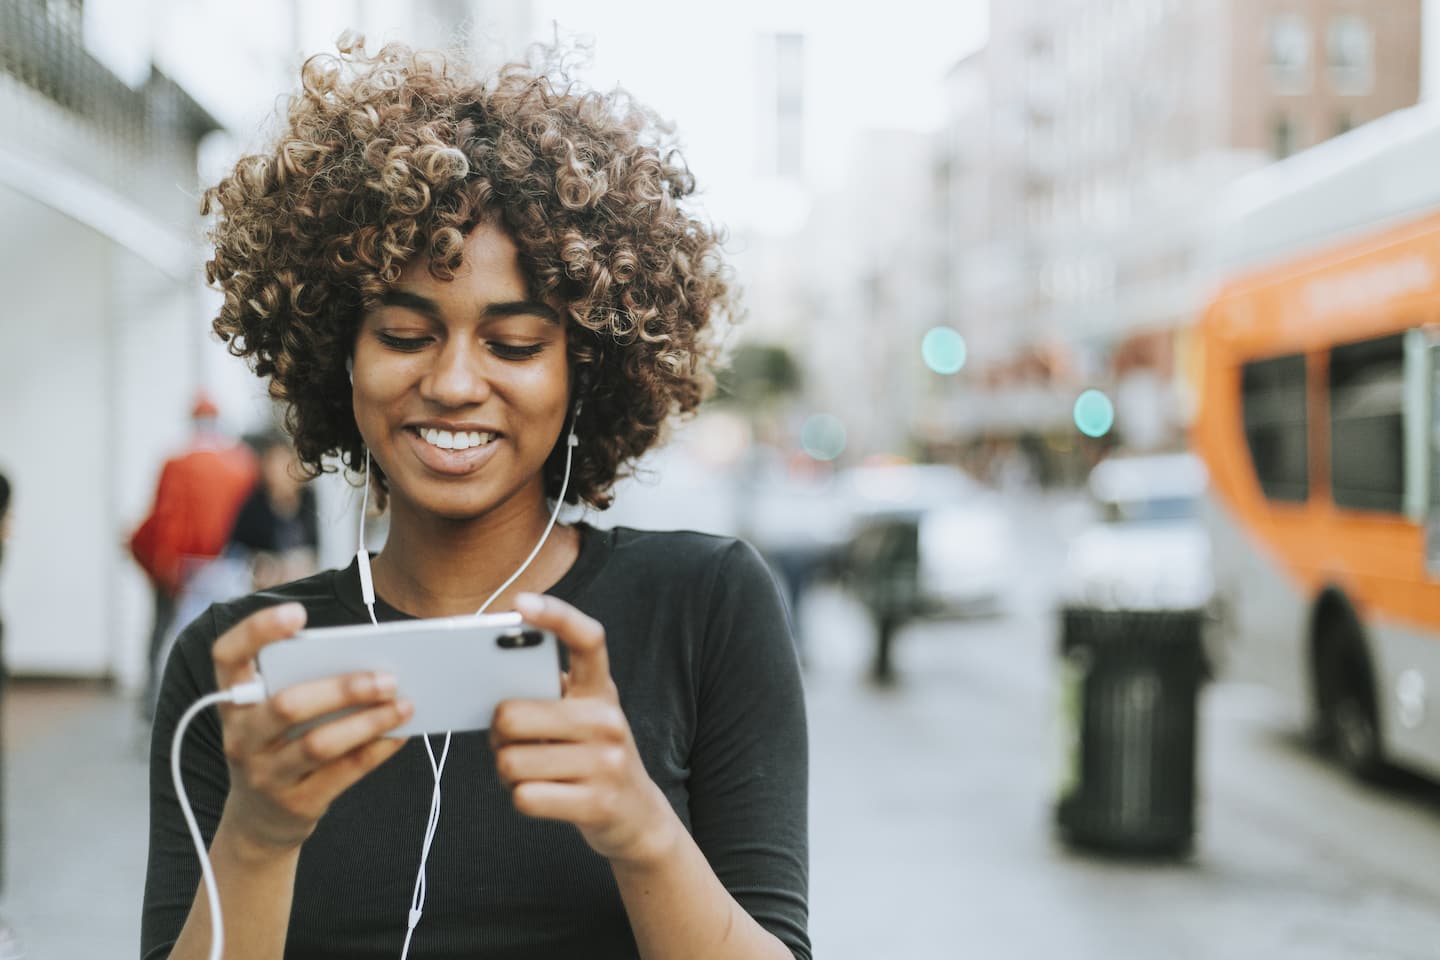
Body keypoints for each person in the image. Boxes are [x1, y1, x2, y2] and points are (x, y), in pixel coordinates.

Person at [142, 34, 809, 960]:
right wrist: (257, 839)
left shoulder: (706, 606)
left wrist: (640, 828)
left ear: (585, 369)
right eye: (407, 333)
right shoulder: (233, 666)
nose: (455, 383)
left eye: (516, 344)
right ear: (340, 357)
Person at [131, 395, 260, 713]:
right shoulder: (242, 463)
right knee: (223, 632)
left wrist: (164, 566)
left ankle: (158, 703)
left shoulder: (177, 463)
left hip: (182, 566)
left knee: (165, 633)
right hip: (227, 566)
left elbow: (167, 518)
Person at [229, 432, 320, 591]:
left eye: (284, 464)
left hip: (301, 583)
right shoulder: (254, 503)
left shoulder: (308, 500)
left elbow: (314, 546)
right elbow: (235, 550)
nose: (278, 472)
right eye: (273, 464)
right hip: (263, 586)